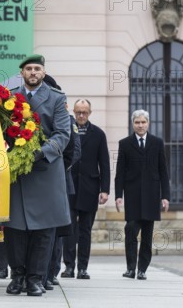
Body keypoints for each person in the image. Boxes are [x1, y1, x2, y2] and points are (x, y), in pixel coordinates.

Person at [4, 54, 71, 297]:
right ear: (21, 72)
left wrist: (39, 153)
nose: (33, 72)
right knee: (14, 228)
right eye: (29, 68)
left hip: (45, 171)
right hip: (16, 172)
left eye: (37, 68)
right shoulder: (8, 98)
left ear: (43, 72)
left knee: (43, 230)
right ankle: (17, 276)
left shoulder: (57, 98)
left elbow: (63, 134)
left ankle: (35, 278)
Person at [115, 109, 170, 281]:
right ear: (133, 124)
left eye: (143, 122)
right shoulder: (124, 144)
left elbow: (163, 171)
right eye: (137, 122)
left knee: (147, 235)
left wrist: (165, 196)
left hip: (152, 196)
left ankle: (142, 270)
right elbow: (120, 172)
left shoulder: (157, 142)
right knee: (130, 230)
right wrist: (118, 195)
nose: (140, 125)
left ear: (148, 123)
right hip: (132, 196)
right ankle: (131, 268)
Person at [62, 99, 110, 280]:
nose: (81, 115)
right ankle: (68, 266)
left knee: (85, 230)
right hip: (69, 186)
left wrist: (105, 190)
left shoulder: (98, 134)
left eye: (85, 112)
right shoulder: (66, 130)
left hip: (90, 187)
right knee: (69, 229)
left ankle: (82, 267)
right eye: (78, 112)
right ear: (74, 112)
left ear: (90, 113)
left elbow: (104, 163)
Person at [42, 74, 81, 289]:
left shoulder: (67, 120)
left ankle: (51, 272)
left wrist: (54, 168)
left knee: (56, 230)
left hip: (59, 179)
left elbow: (73, 152)